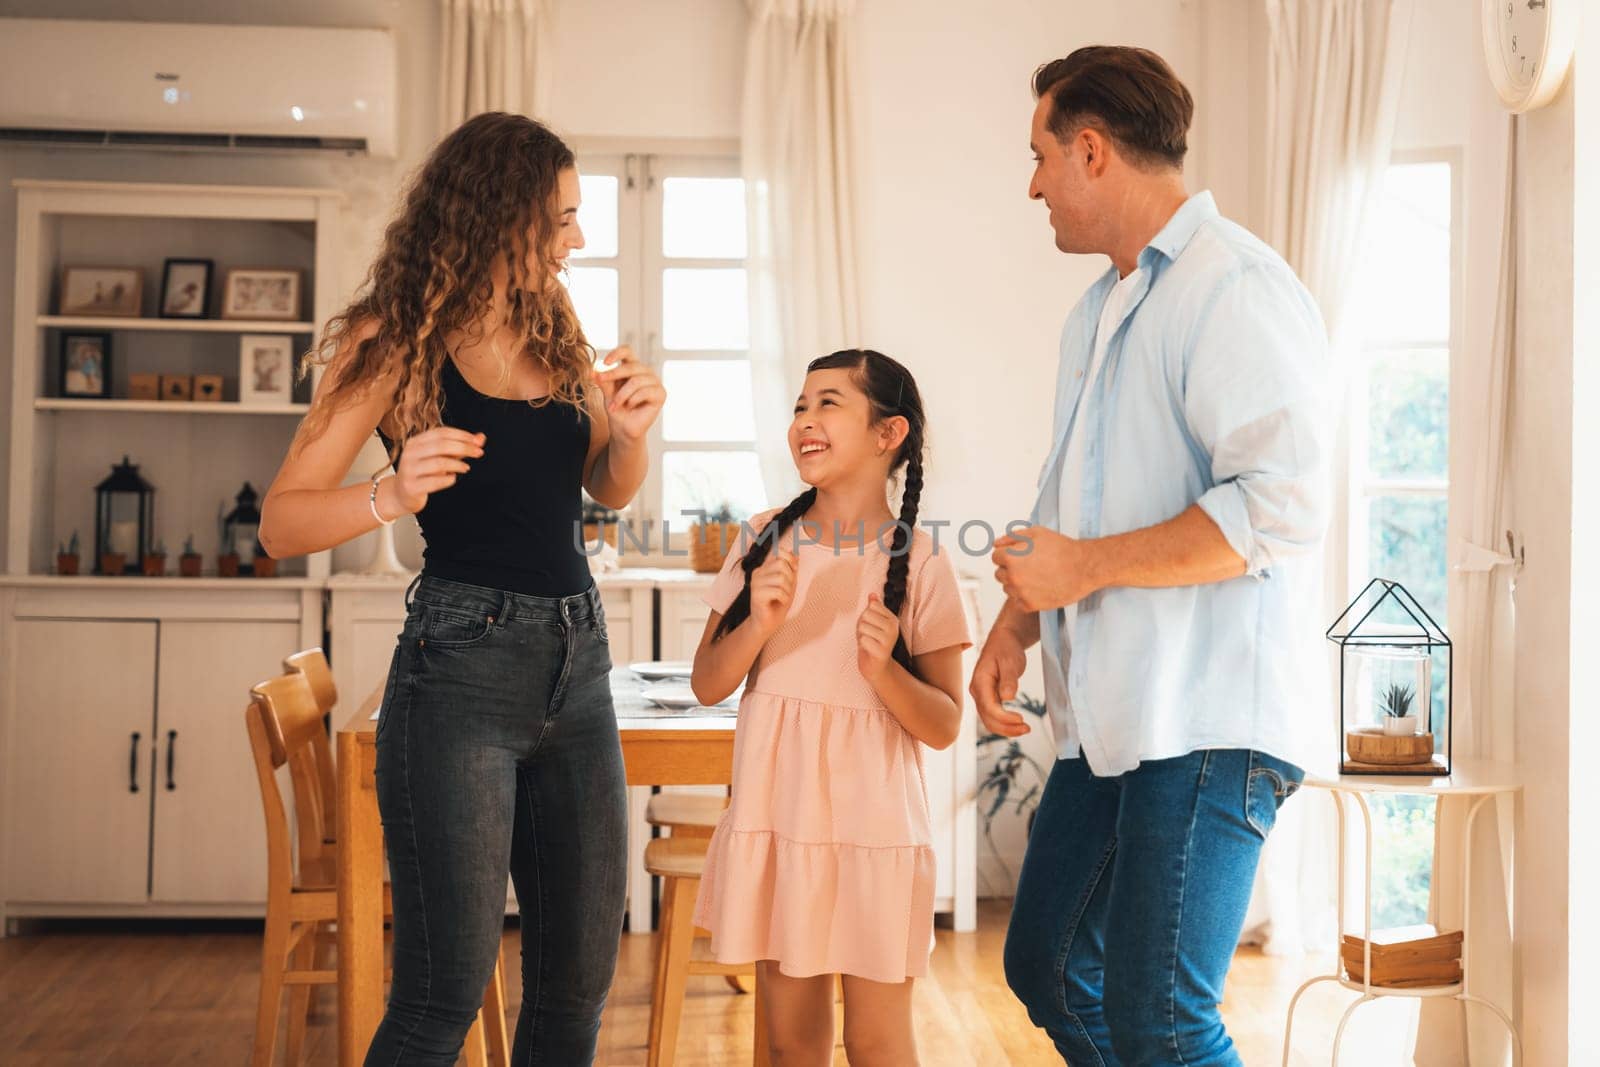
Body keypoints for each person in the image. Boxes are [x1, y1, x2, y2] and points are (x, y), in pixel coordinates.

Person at [257, 111, 664, 1065]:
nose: (580, 238)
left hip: (580, 659)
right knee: (443, 990)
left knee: (576, 985)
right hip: (460, 674)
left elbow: (600, 486)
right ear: (501, 212)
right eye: (563, 216)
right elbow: (282, 520)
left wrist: (632, 434)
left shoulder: (553, 323)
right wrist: (388, 492)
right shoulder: (392, 340)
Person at [971, 46, 1331, 1066]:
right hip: (1116, 718)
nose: (1032, 182)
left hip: (1210, 715)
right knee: (1044, 965)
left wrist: (1081, 568)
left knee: (1164, 1017)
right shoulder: (1101, 309)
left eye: (1040, 155)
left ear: (1091, 150)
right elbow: (1069, 488)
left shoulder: (1232, 288)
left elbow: (1282, 502)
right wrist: (1017, 616)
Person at [690, 350, 971, 1065]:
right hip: (782, 828)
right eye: (799, 405)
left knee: (876, 1044)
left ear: (889, 433)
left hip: (876, 836)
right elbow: (707, 681)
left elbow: (943, 725)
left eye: (829, 404)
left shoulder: (925, 562)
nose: (805, 420)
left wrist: (883, 672)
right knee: (789, 1045)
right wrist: (757, 623)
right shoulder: (762, 540)